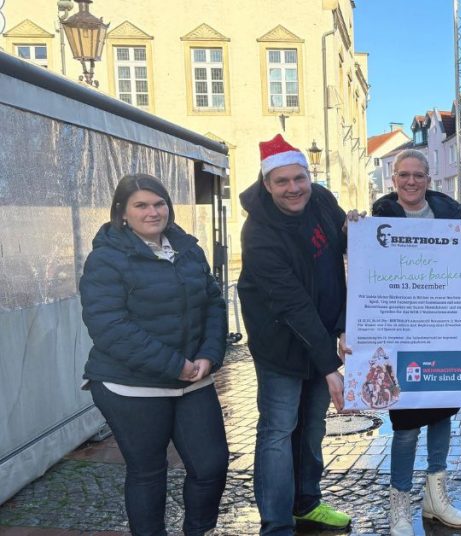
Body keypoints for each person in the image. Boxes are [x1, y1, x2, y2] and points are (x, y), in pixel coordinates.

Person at [80, 174, 228, 536]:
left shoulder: (188, 249)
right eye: (141, 205)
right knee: (148, 473)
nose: (152, 212)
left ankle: (198, 531)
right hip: (131, 386)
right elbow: (110, 327)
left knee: (211, 466)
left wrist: (209, 355)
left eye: (159, 203)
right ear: (122, 213)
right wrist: (175, 365)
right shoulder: (106, 259)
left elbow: (213, 303)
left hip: (193, 380)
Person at [353, 148, 461, 536]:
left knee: (443, 416)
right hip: (400, 337)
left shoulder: (452, 220)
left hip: (445, 332)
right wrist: (352, 229)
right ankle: (399, 503)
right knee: (407, 424)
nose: (411, 182)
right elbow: (362, 269)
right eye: (403, 175)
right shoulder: (377, 220)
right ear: (392, 179)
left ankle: (435, 497)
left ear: (429, 180)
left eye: (418, 175)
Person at [237, 134, 352, 535]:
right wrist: (330, 366)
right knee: (278, 431)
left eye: (298, 178)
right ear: (267, 184)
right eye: (282, 181)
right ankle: (276, 523)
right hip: (280, 345)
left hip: (318, 335)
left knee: (313, 428)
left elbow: (342, 248)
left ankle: (307, 504)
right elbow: (292, 305)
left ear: (308, 175)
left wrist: (363, 231)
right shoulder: (259, 233)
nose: (293, 189)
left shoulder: (319, 199)